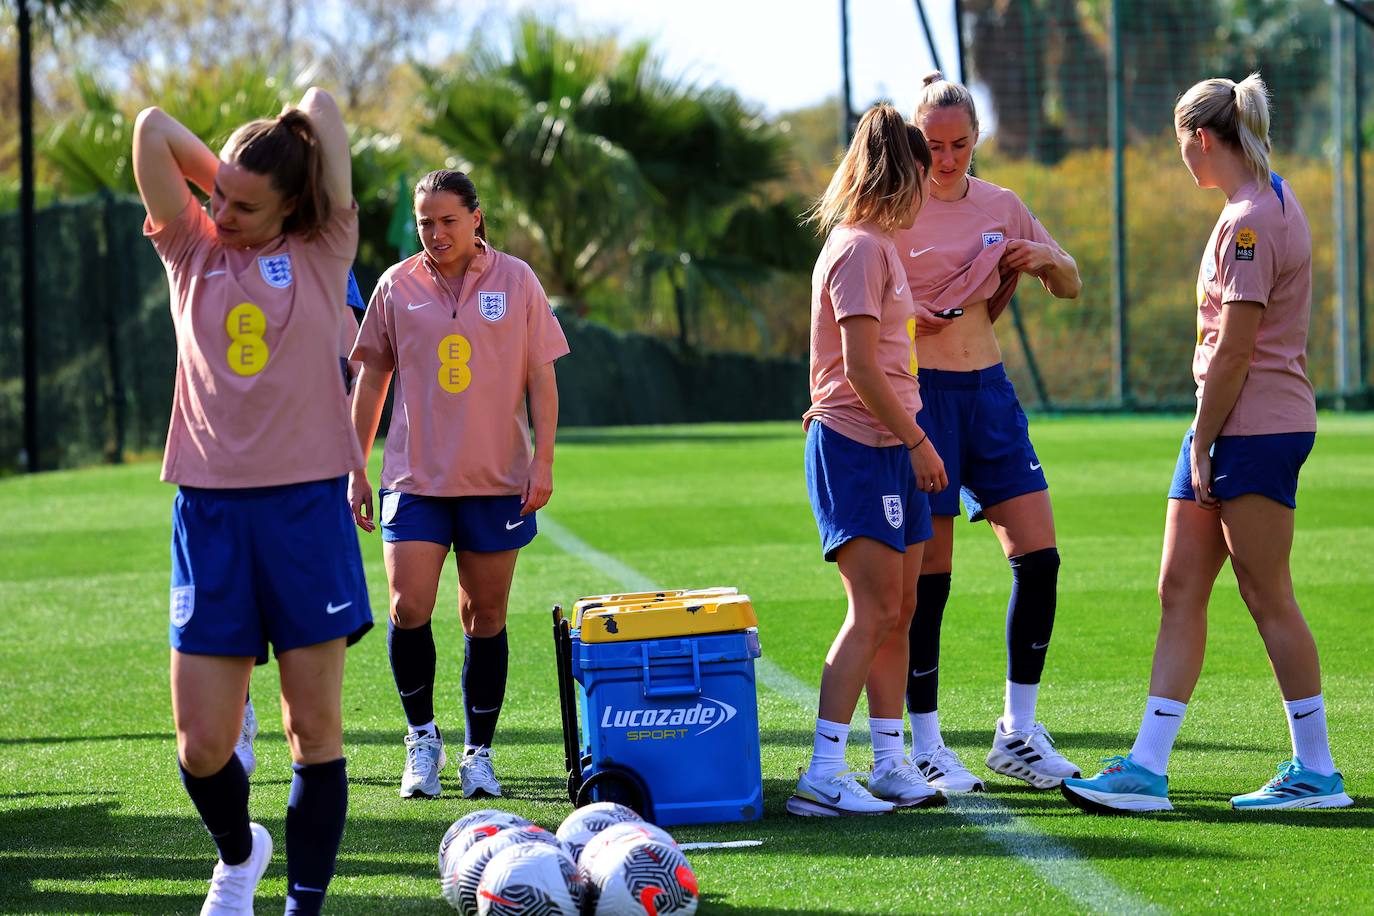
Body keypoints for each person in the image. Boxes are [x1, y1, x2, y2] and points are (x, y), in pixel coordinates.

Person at [1061, 74, 1352, 814]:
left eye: (1179, 143)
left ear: (1200, 139)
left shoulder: (1250, 220)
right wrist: (1204, 436)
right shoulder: (1261, 200)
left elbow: (1235, 350)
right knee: (1179, 588)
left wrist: (1204, 442)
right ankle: (1146, 768)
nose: (1180, 157)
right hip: (1225, 425)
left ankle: (1317, 772)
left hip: (1250, 427)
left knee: (1266, 593)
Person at [133, 87, 372, 915]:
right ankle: (241, 853)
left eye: (245, 206)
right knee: (202, 746)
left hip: (306, 512)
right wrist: (230, 177)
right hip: (210, 514)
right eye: (218, 197)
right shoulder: (190, 248)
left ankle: (303, 906)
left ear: (294, 206)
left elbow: (321, 105)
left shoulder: (324, 249)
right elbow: (151, 129)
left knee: (314, 731)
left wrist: (287, 155)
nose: (222, 214)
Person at [888, 72, 1084, 794]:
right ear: (916, 141)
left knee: (1040, 558)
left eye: (960, 144)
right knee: (928, 581)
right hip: (924, 401)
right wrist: (907, 316)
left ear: (978, 139)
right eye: (933, 145)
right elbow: (860, 305)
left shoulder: (1003, 204)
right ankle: (926, 744)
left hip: (991, 396)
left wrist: (1048, 260)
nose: (946, 159)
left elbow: (1070, 283)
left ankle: (1017, 733)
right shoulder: (892, 211)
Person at [348, 169, 569, 800]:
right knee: (407, 606)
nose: (436, 233)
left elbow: (542, 377)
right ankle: (422, 740)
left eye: (448, 220)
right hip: (414, 478)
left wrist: (544, 460)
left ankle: (479, 754)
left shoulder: (517, 280)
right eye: (426, 222)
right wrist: (354, 467)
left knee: (485, 615)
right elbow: (372, 380)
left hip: (497, 480)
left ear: (476, 218)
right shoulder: (395, 284)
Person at [787, 104, 947, 817]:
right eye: (922, 177)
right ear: (900, 176)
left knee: (900, 610)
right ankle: (823, 771)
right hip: (860, 445)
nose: (928, 193)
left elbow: (878, 341)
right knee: (874, 608)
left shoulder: (881, 247)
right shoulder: (858, 247)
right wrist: (918, 441)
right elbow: (857, 366)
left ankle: (888, 762)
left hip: (891, 446)